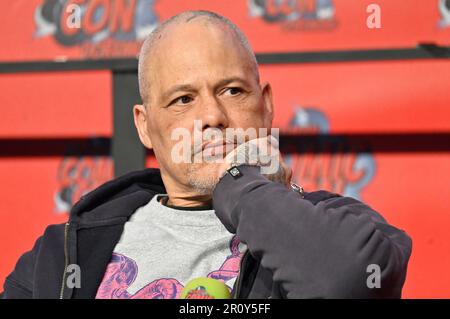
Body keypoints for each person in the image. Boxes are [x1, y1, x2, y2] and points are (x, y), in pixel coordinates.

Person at [1, 10, 411, 299]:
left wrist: (240, 183)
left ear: (266, 105)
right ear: (144, 125)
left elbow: (349, 282)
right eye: (183, 99)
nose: (212, 115)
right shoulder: (63, 250)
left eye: (233, 91)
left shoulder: (339, 225)